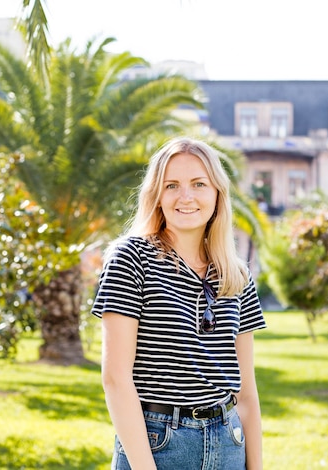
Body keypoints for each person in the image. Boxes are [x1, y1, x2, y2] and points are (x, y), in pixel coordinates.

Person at [92, 136, 267, 469]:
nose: (185, 197)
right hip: (158, 444)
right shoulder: (130, 258)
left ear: (217, 193)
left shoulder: (236, 274)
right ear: (157, 196)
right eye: (171, 185)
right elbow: (116, 378)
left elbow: (246, 392)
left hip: (228, 442)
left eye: (198, 184)